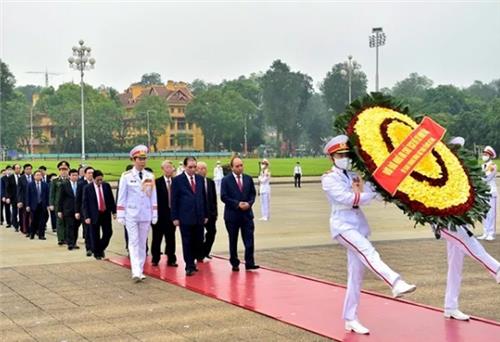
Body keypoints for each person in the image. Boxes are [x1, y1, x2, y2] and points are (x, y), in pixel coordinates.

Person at [321, 135, 416, 335]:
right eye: (340, 155)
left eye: (347, 154)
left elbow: (372, 191)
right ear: (332, 157)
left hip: (358, 225)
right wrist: (369, 196)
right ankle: (395, 283)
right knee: (368, 252)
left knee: (356, 275)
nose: (345, 157)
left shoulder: (354, 174)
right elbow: (347, 198)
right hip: (342, 226)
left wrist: (387, 191)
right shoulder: (328, 178)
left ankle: (350, 318)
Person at [431, 137, 500, 321]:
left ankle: (450, 306)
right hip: (444, 222)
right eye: (456, 151)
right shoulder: (438, 172)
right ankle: (497, 270)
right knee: (471, 244)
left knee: (455, 267)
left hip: (457, 220)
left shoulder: (457, 171)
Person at [116, 145, 158, 282]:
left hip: (145, 213)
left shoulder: (149, 176)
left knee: (142, 243)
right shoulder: (126, 176)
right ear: (133, 160)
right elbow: (121, 196)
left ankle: (140, 270)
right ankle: (135, 271)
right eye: (139, 159)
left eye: (144, 159)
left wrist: (155, 213)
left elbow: (153, 196)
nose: (142, 161)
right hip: (131, 214)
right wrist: (120, 214)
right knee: (133, 242)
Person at [221, 156, 259, 272]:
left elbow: (253, 194)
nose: (240, 168)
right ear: (232, 167)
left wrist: (249, 203)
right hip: (232, 215)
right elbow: (224, 196)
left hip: (247, 215)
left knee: (249, 240)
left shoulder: (248, 179)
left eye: (241, 165)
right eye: (237, 166)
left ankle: (250, 262)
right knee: (233, 240)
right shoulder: (226, 180)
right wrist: (237, 204)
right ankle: (234, 262)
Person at [171, 156, 208, 276]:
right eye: (190, 167)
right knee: (187, 241)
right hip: (185, 217)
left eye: (194, 167)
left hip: (199, 216)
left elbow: (204, 197)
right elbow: (174, 200)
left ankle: (194, 261)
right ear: (184, 167)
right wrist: (175, 217)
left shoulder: (200, 179)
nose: (192, 169)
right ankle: (189, 265)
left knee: (198, 241)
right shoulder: (177, 180)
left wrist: (206, 214)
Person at [82, 170, 116, 260]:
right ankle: (97, 253)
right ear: (93, 179)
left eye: (101, 179)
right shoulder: (88, 188)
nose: (100, 182)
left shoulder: (106, 186)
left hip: (105, 213)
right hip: (94, 214)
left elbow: (111, 200)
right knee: (94, 235)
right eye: (98, 180)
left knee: (108, 232)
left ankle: (100, 248)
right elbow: (85, 204)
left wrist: (114, 211)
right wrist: (87, 216)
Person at [151, 160, 178, 267]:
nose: (169, 169)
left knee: (171, 238)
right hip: (159, 216)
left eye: (170, 167)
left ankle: (171, 259)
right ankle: (155, 258)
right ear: (162, 169)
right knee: (157, 238)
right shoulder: (157, 182)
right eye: (167, 167)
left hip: (171, 216)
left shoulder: (176, 182)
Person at [196, 161, 218, 260]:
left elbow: (214, 199)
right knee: (199, 236)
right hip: (199, 214)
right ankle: (199, 254)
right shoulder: (194, 183)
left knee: (212, 232)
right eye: (199, 168)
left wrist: (215, 213)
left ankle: (205, 251)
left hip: (210, 214)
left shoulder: (210, 182)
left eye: (203, 168)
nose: (201, 170)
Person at [57, 169, 82, 250]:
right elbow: (60, 199)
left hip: (78, 210)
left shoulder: (80, 185)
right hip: (68, 210)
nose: (75, 177)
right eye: (73, 175)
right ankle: (70, 243)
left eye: (76, 175)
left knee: (76, 227)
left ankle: (74, 242)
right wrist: (60, 210)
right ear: (69, 176)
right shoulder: (64, 185)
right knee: (70, 227)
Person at [479, 145, 497, 241]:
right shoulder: (482, 166)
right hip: (483, 193)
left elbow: (486, 178)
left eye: (486, 154)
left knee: (491, 213)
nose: (484, 156)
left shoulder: (492, 166)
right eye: (483, 154)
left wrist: (477, 177)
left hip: (491, 192)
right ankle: (485, 232)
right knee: (484, 213)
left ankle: (491, 233)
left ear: (490, 156)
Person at [50, 161, 70, 245]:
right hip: (58, 204)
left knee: (68, 222)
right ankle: (61, 238)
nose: (63, 171)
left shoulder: (71, 179)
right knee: (60, 222)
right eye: (61, 169)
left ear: (68, 169)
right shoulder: (55, 181)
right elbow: (52, 193)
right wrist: (51, 204)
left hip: (68, 205)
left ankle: (67, 238)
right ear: (59, 170)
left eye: (65, 169)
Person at [25, 170, 49, 240]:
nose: (38, 176)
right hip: (33, 205)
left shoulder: (45, 185)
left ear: (42, 176)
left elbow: (47, 195)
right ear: (34, 176)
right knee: (33, 221)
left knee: (42, 221)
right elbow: (28, 195)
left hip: (42, 205)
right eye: (37, 175)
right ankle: (32, 233)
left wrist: (48, 204)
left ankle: (41, 235)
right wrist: (27, 205)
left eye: (40, 175)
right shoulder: (30, 184)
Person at [77, 167, 94, 256]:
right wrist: (77, 211)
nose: (91, 174)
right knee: (87, 231)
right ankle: (89, 248)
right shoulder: (81, 184)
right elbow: (78, 199)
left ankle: (96, 247)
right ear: (85, 174)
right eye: (89, 173)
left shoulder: (97, 183)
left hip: (96, 212)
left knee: (95, 230)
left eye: (92, 173)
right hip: (85, 211)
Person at [18, 163, 33, 235]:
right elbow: (19, 191)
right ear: (24, 170)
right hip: (24, 199)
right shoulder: (21, 178)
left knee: (33, 215)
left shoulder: (34, 177)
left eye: (30, 169)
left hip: (33, 199)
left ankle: (33, 229)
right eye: (27, 169)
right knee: (25, 215)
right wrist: (20, 201)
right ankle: (25, 229)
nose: (29, 170)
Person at [5, 164, 22, 231]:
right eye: (16, 168)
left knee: (21, 212)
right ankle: (16, 226)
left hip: (21, 198)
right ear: (14, 169)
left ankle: (21, 224)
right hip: (14, 197)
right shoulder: (10, 178)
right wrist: (8, 197)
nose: (18, 169)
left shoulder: (23, 177)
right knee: (14, 212)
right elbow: (8, 189)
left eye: (19, 168)